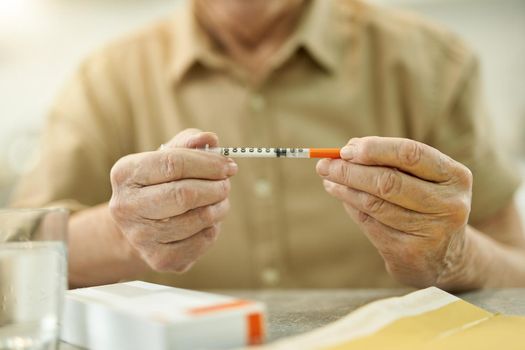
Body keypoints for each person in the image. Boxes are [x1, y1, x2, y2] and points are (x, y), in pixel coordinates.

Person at [10, 0, 525, 291]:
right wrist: (124, 234)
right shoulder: (107, 79)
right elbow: (15, 262)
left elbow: (516, 271)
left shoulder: (434, 63)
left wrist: (452, 256)